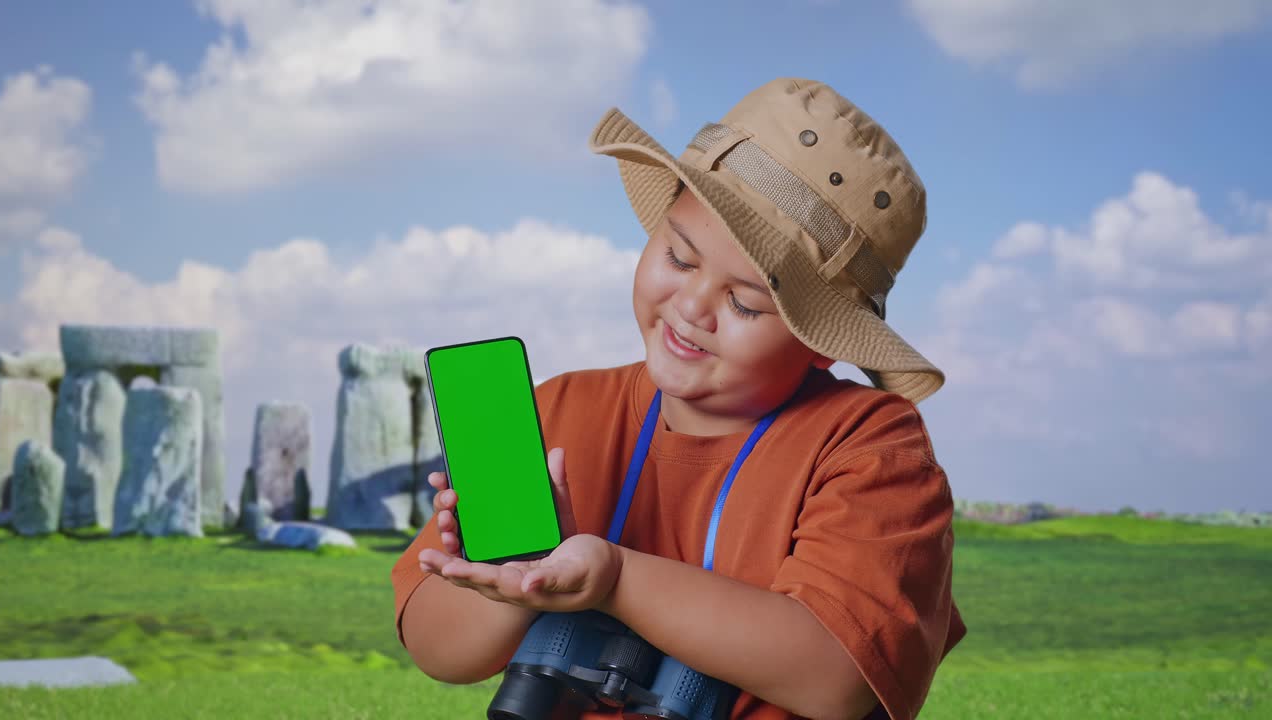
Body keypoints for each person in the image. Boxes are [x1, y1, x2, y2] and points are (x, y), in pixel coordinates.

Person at [390, 78, 966, 720]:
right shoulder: (559, 411)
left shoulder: (871, 446)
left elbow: (839, 676)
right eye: (680, 258)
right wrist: (522, 575)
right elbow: (437, 648)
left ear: (821, 341)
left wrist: (614, 580)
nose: (692, 309)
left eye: (745, 302)